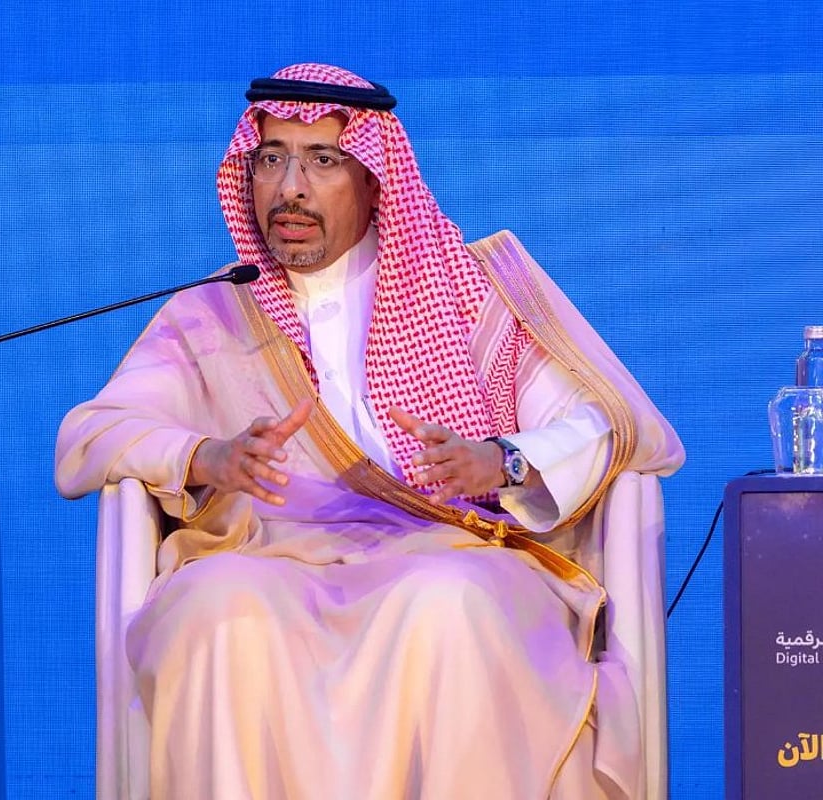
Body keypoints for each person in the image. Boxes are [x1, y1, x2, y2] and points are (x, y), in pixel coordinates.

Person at [56, 63, 683, 799]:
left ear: (373, 178)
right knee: (214, 608)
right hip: (270, 555)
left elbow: (611, 426)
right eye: (271, 159)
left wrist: (501, 461)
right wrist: (208, 456)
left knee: (446, 602)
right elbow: (90, 436)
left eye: (322, 160)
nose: (289, 187)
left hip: (450, 546)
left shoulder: (465, 291)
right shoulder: (214, 313)